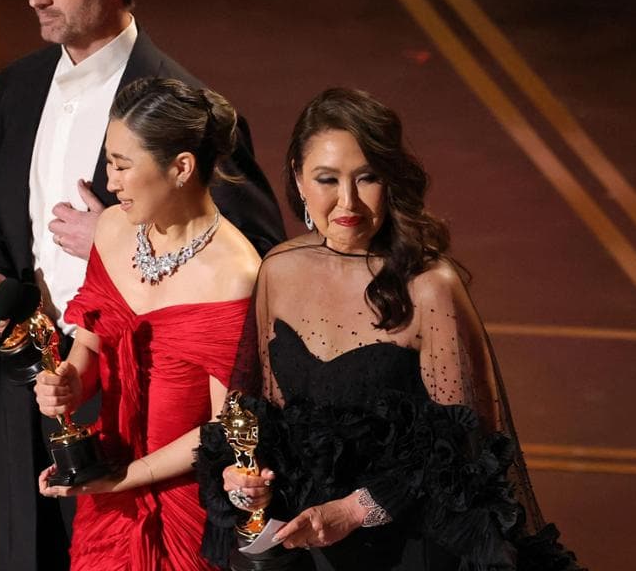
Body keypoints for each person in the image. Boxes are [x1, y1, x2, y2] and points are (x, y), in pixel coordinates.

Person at [0, 0, 285, 571]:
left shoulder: (186, 110)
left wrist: (120, 237)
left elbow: (258, 257)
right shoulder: (15, 89)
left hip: (137, 401)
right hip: (33, 376)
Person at [197, 88, 582, 571]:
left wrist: (354, 511)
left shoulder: (429, 287)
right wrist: (244, 477)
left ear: (391, 180)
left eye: (367, 177)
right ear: (297, 177)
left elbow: (462, 444)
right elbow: (261, 412)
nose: (347, 201)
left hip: (411, 545)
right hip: (309, 541)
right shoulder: (278, 269)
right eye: (327, 179)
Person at [32, 78, 261, 570]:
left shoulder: (235, 275)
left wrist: (125, 477)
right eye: (109, 163)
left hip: (183, 509)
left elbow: (225, 427)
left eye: (122, 165)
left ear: (181, 167)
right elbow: (89, 347)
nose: (110, 182)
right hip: (107, 495)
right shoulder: (112, 229)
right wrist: (68, 382)